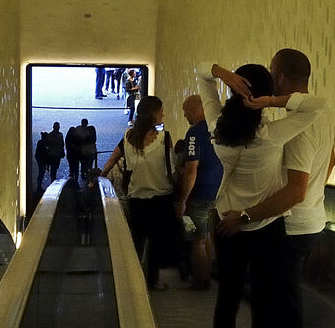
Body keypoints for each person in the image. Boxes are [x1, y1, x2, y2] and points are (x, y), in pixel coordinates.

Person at [213, 48, 335, 328]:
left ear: (280, 77)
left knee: (278, 301)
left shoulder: (293, 130)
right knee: (278, 298)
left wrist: (246, 217)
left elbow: (294, 191)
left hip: (288, 221)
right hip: (313, 216)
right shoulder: (321, 117)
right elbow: (333, 161)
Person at [101, 96, 178, 289]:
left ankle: (130, 280)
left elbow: (111, 160)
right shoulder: (164, 138)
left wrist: (100, 177)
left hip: (136, 198)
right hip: (161, 198)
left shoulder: (128, 137)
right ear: (153, 114)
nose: (163, 114)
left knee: (137, 239)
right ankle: (152, 281)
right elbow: (173, 170)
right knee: (155, 243)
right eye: (161, 111)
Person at [173, 92, 222, 290]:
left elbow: (191, 171)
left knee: (197, 240)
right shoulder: (219, 129)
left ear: (196, 110)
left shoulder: (194, 133)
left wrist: (183, 200)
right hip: (220, 194)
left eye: (186, 113)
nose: (185, 117)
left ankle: (200, 282)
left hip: (199, 195)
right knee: (209, 237)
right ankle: (209, 274)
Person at [33, 122, 65, 201]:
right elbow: (62, 145)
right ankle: (53, 185)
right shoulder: (60, 135)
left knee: (49, 172)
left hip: (51, 156)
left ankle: (42, 187)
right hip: (55, 156)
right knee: (53, 171)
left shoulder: (50, 136)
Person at [65, 117, 98, 186]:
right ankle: (85, 180)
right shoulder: (90, 130)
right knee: (86, 166)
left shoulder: (78, 130)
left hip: (80, 152)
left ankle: (76, 180)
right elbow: (93, 140)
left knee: (76, 167)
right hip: (85, 152)